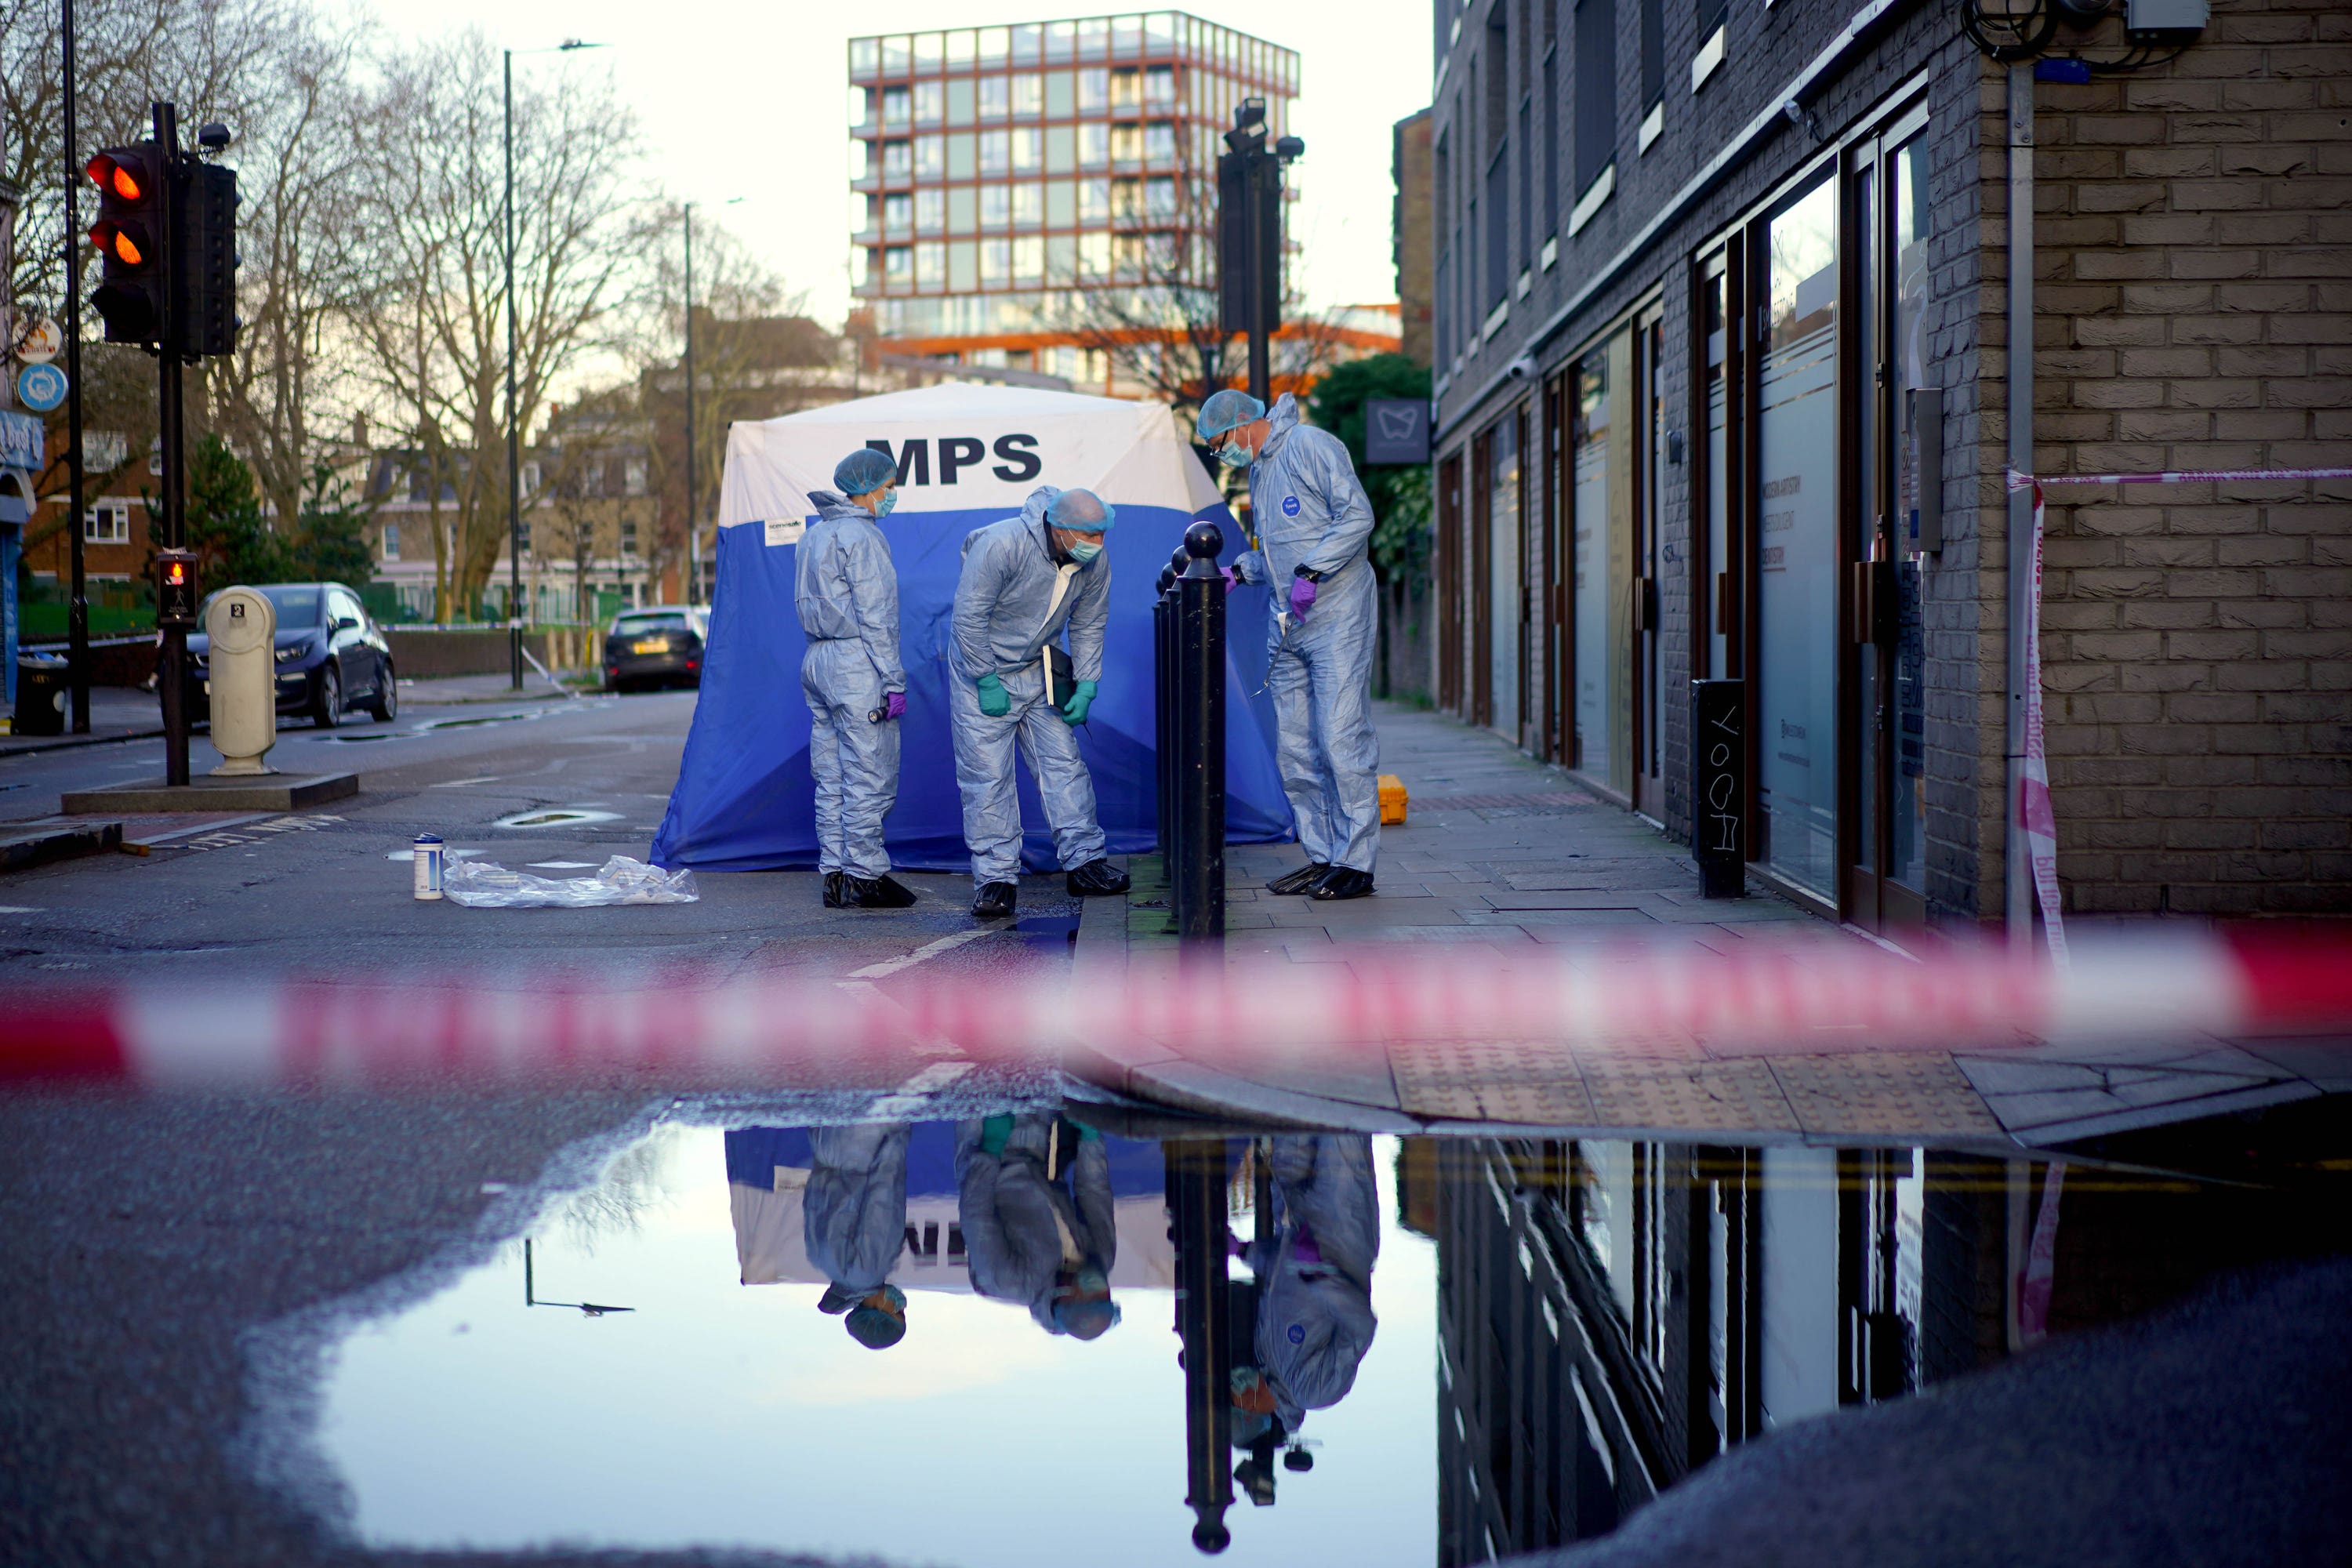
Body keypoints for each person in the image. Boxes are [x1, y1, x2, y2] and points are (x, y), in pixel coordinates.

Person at [1196, 389, 1381, 902]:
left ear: (1243, 425)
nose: (1221, 455)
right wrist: (1240, 571)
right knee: (1295, 745)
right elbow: (1280, 551)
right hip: (1291, 620)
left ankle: (1356, 862)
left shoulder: (1311, 445)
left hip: (1338, 613)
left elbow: (1357, 517)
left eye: (1220, 444)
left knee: (1340, 737)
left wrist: (1313, 571)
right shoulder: (1260, 470)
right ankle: (1322, 855)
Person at [949, 485, 1132, 919]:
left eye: (1102, 534)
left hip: (1036, 668)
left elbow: (1089, 622)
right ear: (1060, 528)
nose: (1098, 545)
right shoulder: (1001, 544)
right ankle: (995, 880)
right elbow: (968, 616)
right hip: (984, 671)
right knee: (987, 777)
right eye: (1090, 536)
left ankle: (1085, 862)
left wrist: (1086, 684)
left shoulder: (1094, 563)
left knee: (1063, 765)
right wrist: (985, 678)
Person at [800, 447, 915, 909]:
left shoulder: (814, 535)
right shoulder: (862, 537)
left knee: (830, 774)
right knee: (869, 771)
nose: (891, 495)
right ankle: (865, 875)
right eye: (889, 487)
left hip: (816, 661)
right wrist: (893, 680)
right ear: (868, 489)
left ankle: (835, 872)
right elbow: (877, 614)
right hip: (855, 664)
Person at [1233, 1134, 1380, 1437]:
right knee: (1342, 1125)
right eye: (1237, 1402)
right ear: (1252, 1413)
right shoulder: (1314, 1391)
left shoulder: (1266, 1358)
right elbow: (1361, 1327)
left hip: (1292, 1212)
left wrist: (1243, 1253)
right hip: (1340, 1230)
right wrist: (1319, 1277)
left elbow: (1283, 1273)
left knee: (1294, 1109)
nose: (1235, 1391)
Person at [955, 1112, 1122, 1341]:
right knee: (1033, 1080)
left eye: (1091, 1295)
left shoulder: (1007, 1281)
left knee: (980, 1082)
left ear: (1064, 1298)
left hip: (985, 1155)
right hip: (1038, 1150)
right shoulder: (1101, 1259)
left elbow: (976, 1213)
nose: (1100, 1287)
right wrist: (1090, 1140)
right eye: (1105, 1294)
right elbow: (1094, 1192)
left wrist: (991, 1147)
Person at [803, 1121, 914, 1351]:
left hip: (863, 1145)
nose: (903, 1305)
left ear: (879, 1311)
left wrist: (896, 1136)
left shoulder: (868, 1272)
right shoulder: (822, 1262)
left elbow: (883, 1199)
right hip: (827, 1143)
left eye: (899, 1312)